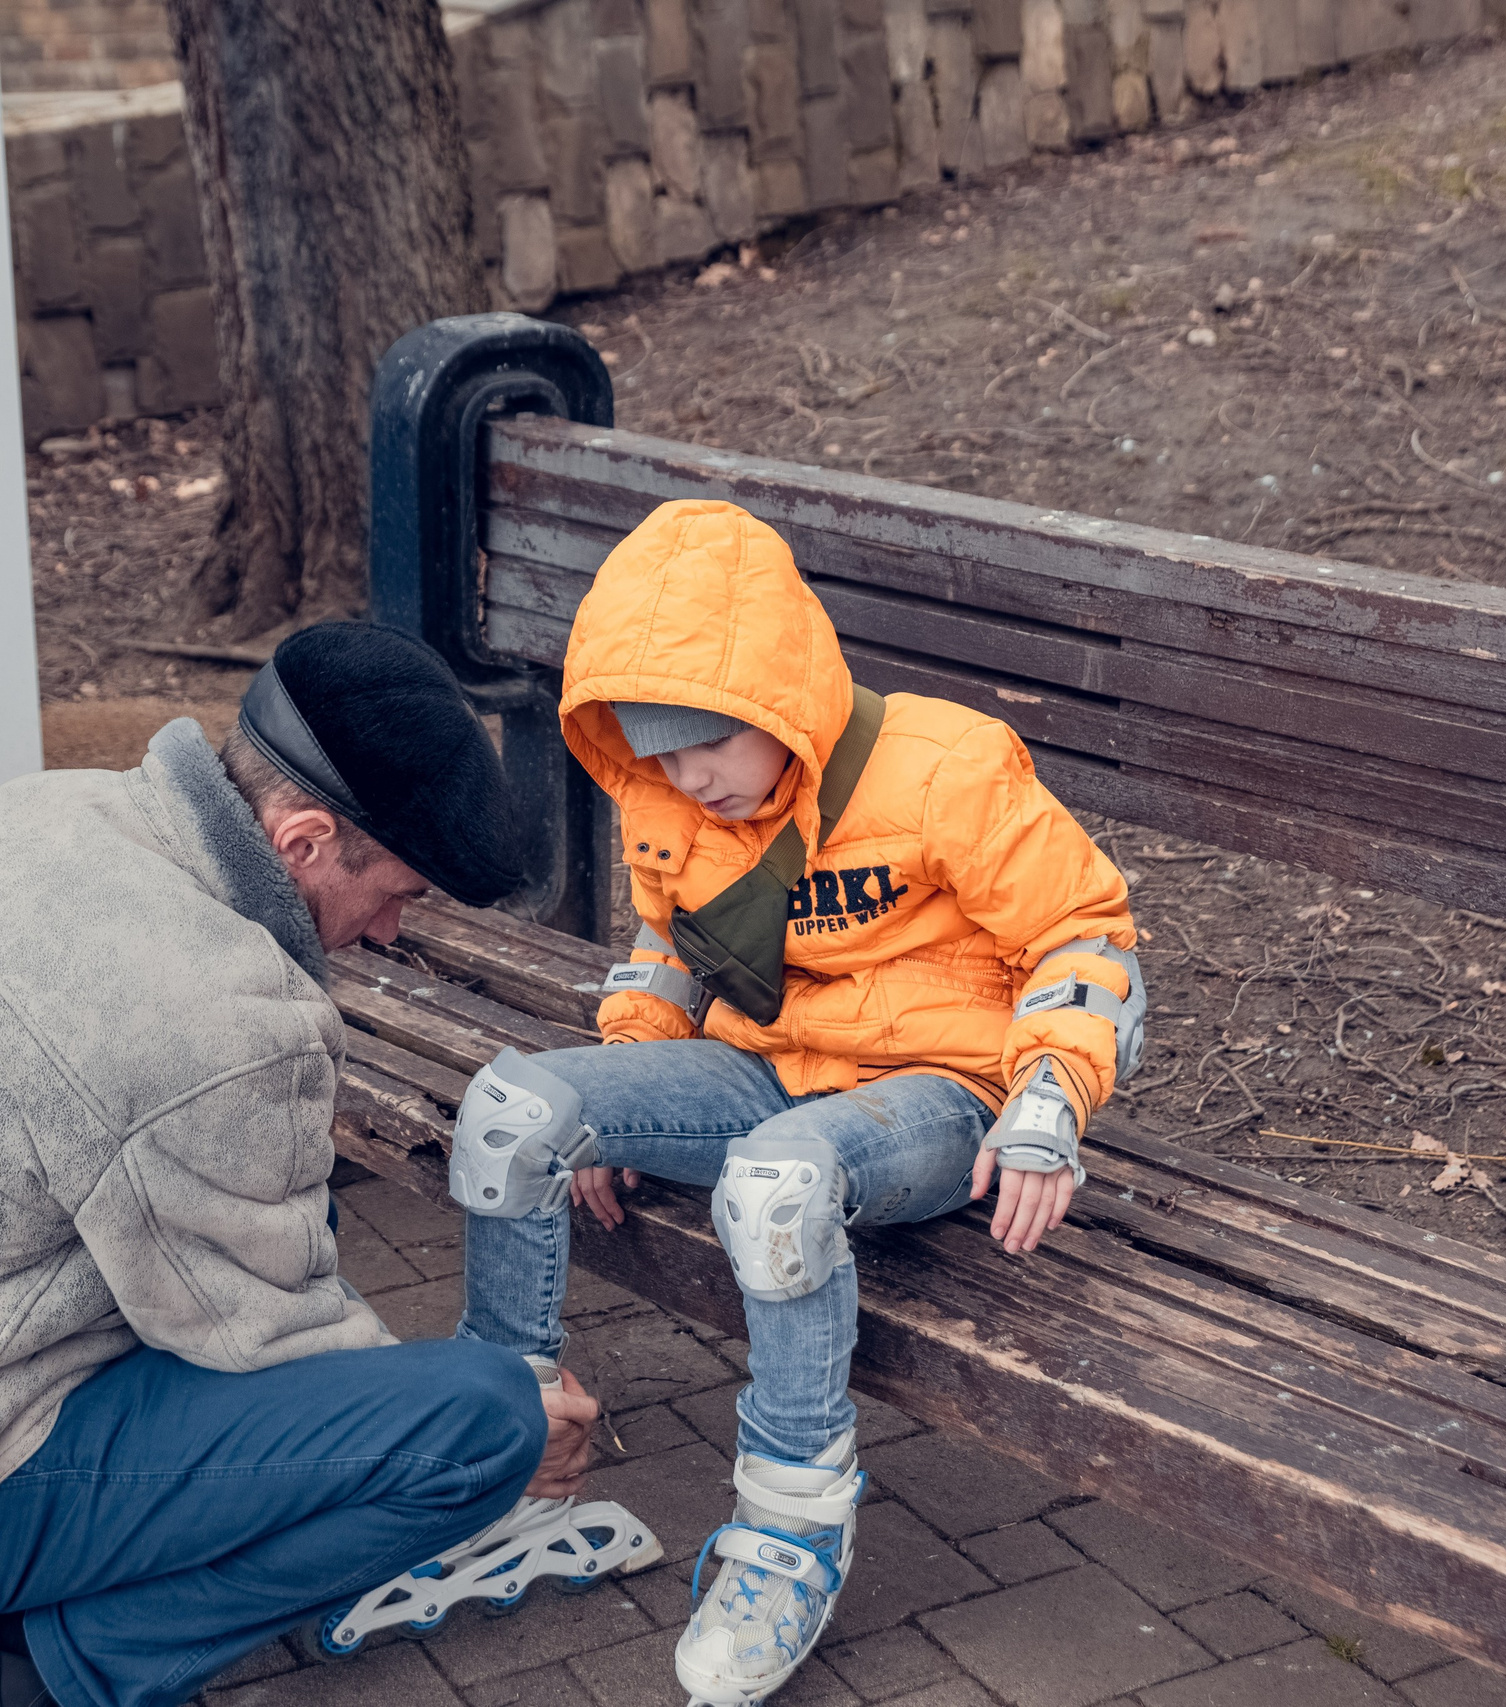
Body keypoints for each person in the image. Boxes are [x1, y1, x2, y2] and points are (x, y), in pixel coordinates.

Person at [0, 624, 654, 1707]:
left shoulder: (45, 814)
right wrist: (517, 1414)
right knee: (472, 1428)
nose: (386, 935)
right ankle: (35, 1669)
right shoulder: (225, 1014)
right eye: (401, 895)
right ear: (303, 843)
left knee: (309, 1257)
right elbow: (275, 1347)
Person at [450, 499, 1143, 1705]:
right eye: (655, 749)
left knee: (775, 1187)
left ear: (782, 703)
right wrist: (616, 1096)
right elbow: (664, 956)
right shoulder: (667, 801)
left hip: (936, 1096)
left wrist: (1048, 1104)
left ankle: (788, 1534)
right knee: (514, 1112)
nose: (687, 775)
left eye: (710, 739)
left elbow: (1084, 937)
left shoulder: (947, 767)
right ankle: (507, 1460)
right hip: (760, 1065)